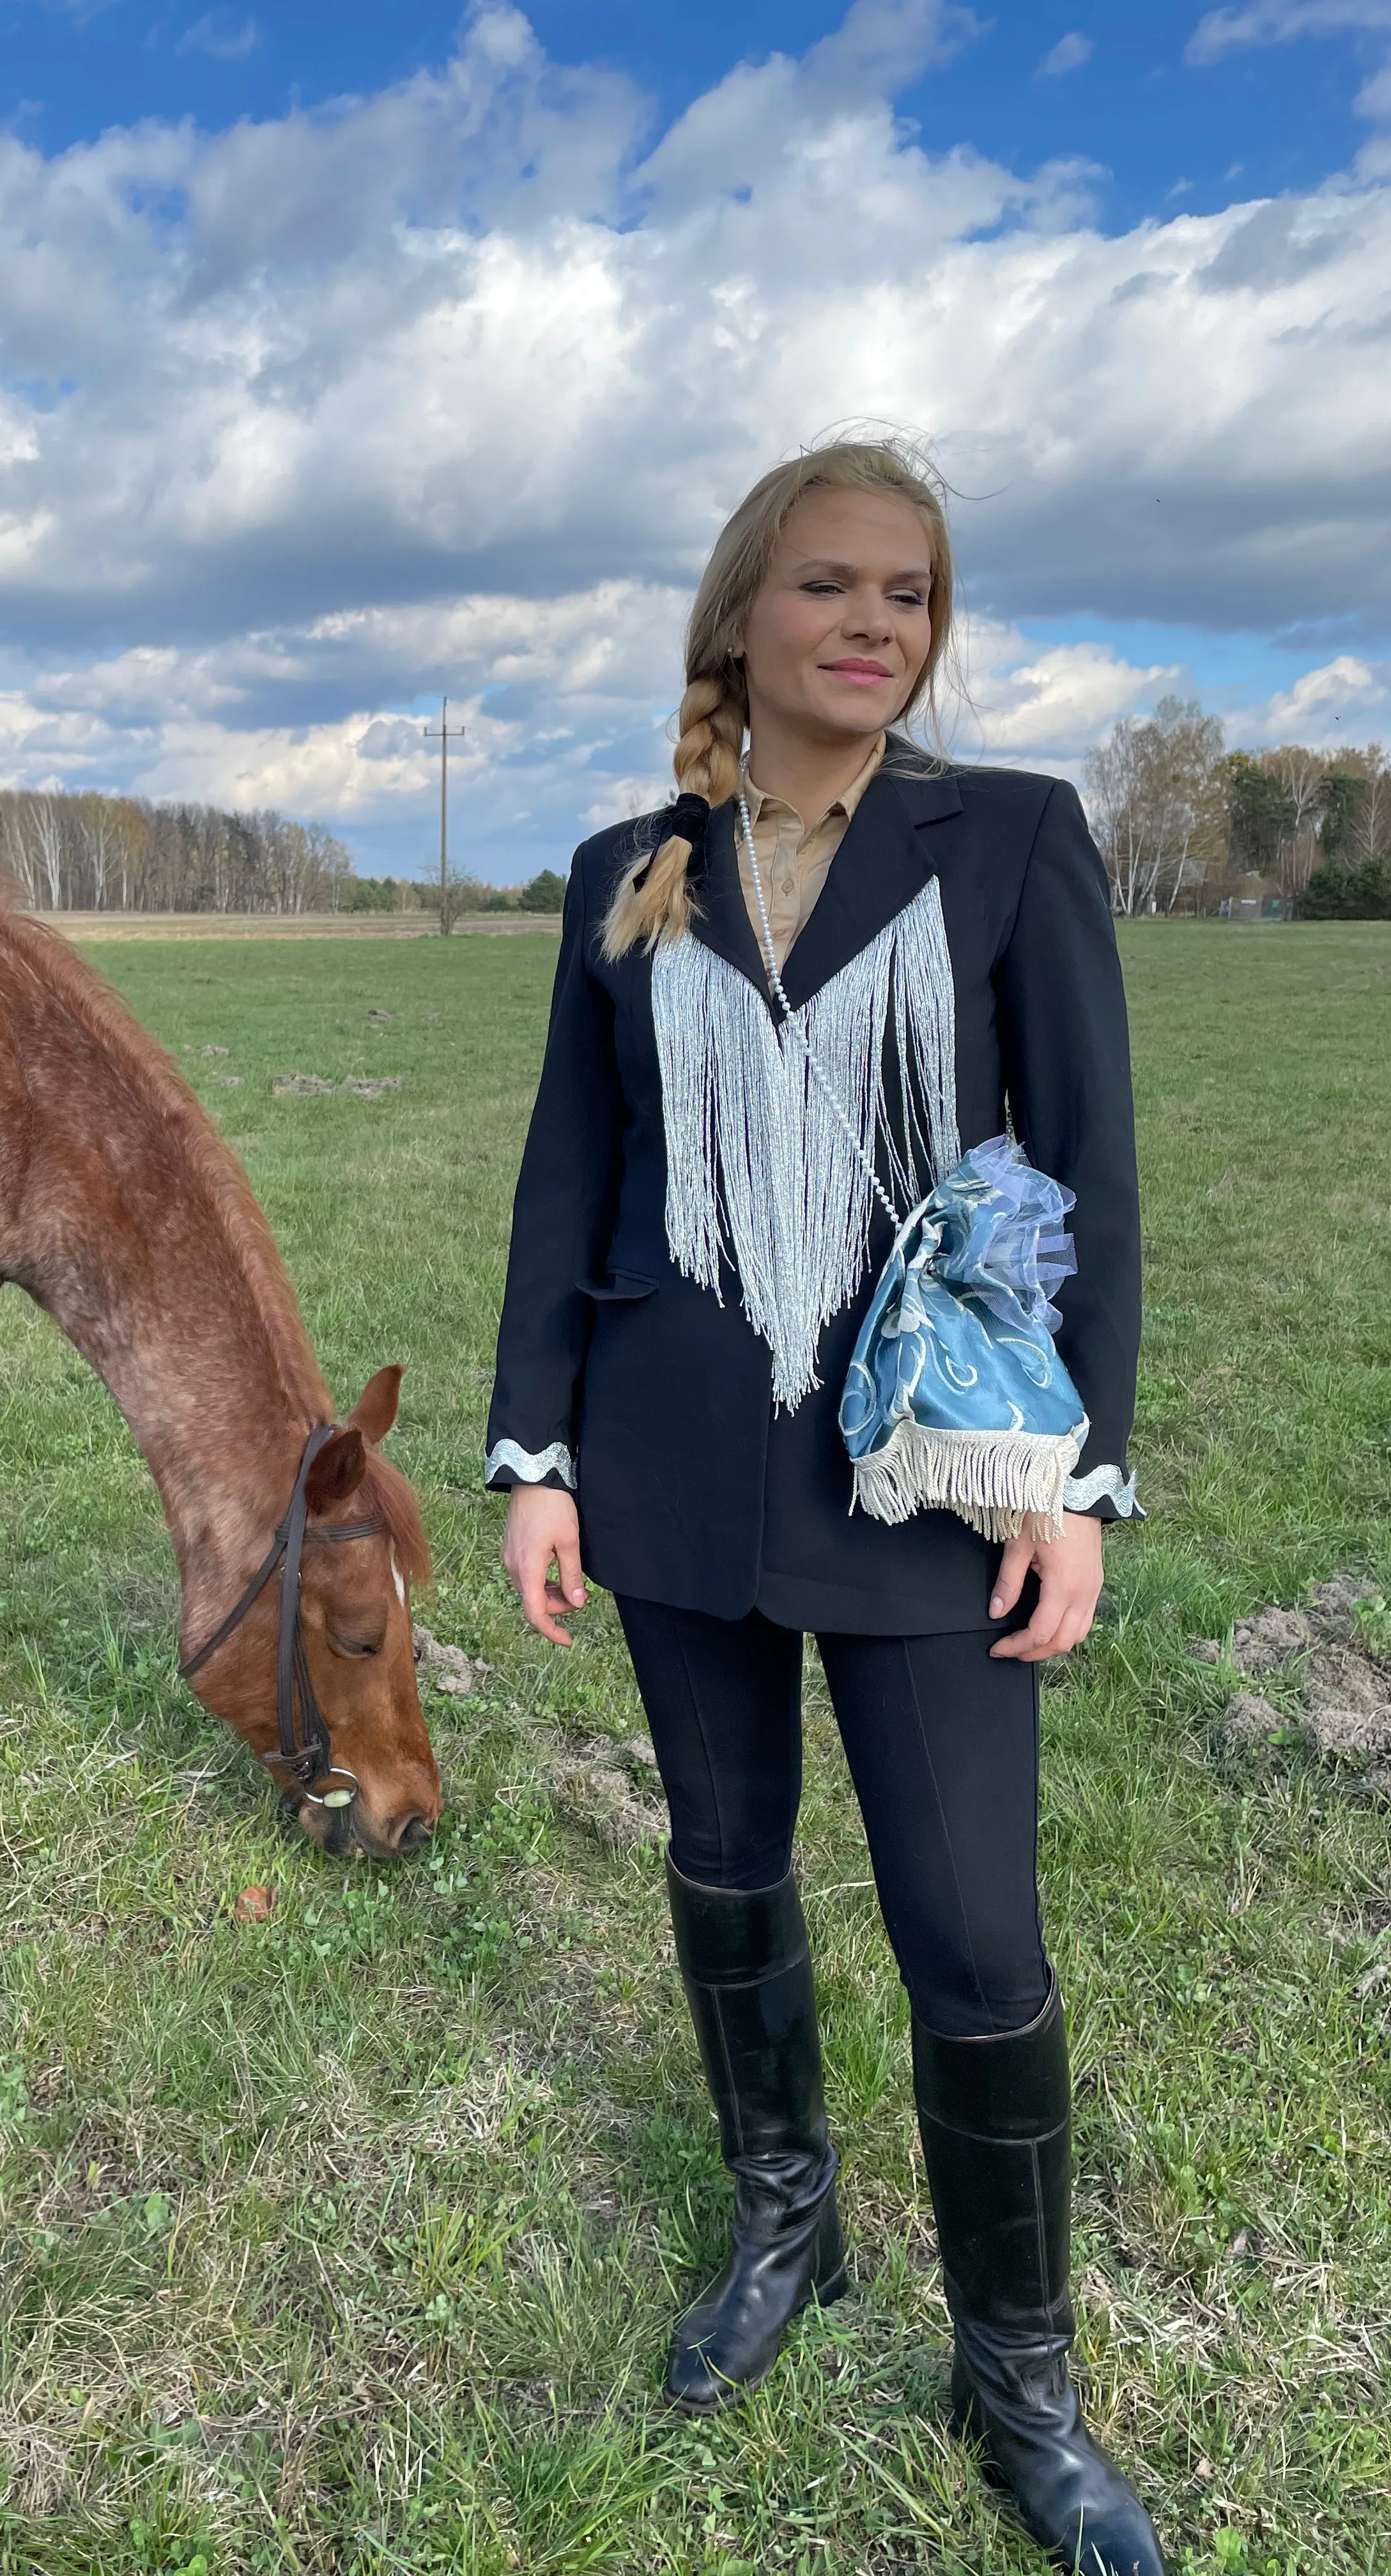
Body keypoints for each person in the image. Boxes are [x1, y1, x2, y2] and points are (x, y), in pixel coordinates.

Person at [485, 440, 1162, 2576]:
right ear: (741, 618)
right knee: (724, 1864)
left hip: (928, 1479)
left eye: (912, 597)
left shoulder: (1015, 841)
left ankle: (1018, 2374)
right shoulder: (630, 863)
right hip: (674, 1473)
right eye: (833, 588)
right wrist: (536, 1453)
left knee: (972, 1930)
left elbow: (1096, 1178)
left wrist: (1083, 1477)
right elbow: (564, 1184)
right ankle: (793, 2227)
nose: (878, 626)